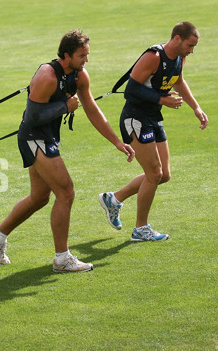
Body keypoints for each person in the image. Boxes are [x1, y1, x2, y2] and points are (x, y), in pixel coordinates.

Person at [0, 30, 135, 273]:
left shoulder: (80, 76)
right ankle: (62, 259)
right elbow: (32, 117)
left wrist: (116, 141)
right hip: (34, 137)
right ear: (66, 55)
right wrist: (64, 106)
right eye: (82, 55)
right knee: (66, 191)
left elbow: (92, 109)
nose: (86, 60)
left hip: (48, 136)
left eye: (87, 55)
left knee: (40, 198)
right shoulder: (47, 76)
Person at [99, 22, 208, 241]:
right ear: (177, 38)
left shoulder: (179, 58)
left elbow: (179, 82)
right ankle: (141, 229)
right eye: (190, 45)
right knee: (154, 174)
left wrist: (195, 107)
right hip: (135, 119)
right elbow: (131, 89)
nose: (192, 50)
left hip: (153, 118)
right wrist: (161, 99)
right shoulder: (154, 57)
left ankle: (114, 199)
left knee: (163, 175)